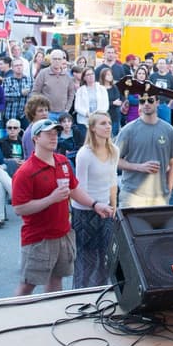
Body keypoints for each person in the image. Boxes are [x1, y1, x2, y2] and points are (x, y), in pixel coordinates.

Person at [12, 118, 114, 296]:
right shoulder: (25, 171)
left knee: (56, 279)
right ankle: (11, 319)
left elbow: (74, 189)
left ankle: (52, 316)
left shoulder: (63, 162)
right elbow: (19, 208)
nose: (54, 137)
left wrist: (95, 205)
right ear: (35, 138)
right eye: (48, 134)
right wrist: (51, 199)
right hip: (39, 239)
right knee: (27, 285)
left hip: (63, 233)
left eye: (55, 133)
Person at [114, 86, 173, 209]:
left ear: (157, 102)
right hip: (132, 195)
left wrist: (168, 190)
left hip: (158, 197)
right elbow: (114, 160)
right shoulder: (128, 130)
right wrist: (139, 167)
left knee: (157, 228)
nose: (146, 104)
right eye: (142, 101)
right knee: (129, 229)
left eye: (150, 100)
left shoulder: (169, 130)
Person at [71, 112, 118, 288]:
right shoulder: (85, 153)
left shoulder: (114, 150)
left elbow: (113, 182)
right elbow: (80, 188)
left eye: (110, 122)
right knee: (86, 260)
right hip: (84, 212)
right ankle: (80, 296)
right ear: (92, 128)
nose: (108, 126)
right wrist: (95, 205)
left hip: (106, 210)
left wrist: (114, 207)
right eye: (103, 123)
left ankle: (98, 293)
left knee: (105, 257)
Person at [33, 49, 76, 120]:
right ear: (50, 60)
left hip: (63, 113)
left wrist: (67, 109)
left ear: (63, 61)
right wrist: (41, 109)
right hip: (47, 113)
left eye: (59, 59)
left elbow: (71, 93)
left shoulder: (67, 76)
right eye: (54, 59)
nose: (57, 61)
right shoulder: (43, 73)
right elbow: (35, 92)